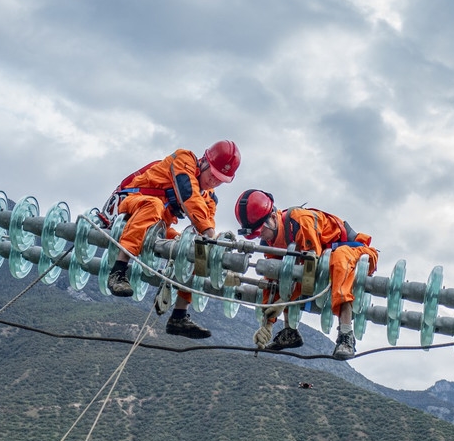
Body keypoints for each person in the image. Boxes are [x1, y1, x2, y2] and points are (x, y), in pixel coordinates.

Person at [106, 140, 241, 339]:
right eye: (212, 174)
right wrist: (210, 235)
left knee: (197, 247)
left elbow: (206, 224)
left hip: (156, 226)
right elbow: (188, 195)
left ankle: (179, 315)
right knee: (153, 205)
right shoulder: (183, 160)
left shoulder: (210, 199)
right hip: (131, 207)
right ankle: (118, 272)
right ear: (204, 162)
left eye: (220, 179)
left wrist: (210, 245)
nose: (214, 181)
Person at [234, 189, 378, 359]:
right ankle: (290, 332)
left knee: (339, 259)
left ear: (272, 218)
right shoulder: (271, 241)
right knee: (285, 269)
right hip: (325, 261)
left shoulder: (301, 222)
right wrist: (268, 324)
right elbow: (273, 279)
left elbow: (312, 270)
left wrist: (283, 301)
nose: (261, 237)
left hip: (358, 254)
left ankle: (346, 335)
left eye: (260, 232)